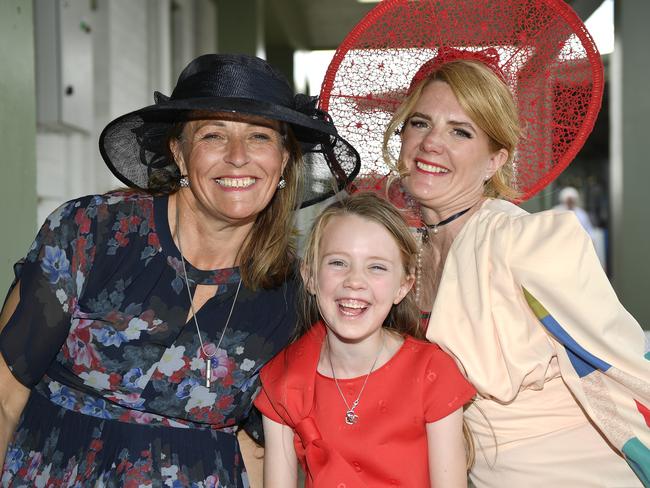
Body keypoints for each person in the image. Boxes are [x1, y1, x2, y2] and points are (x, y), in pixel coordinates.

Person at [319, 0, 649, 486]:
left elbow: (622, 359)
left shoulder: (526, 241)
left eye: (461, 131)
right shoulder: (402, 254)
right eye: (420, 123)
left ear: (495, 160)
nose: (433, 144)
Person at [0, 53, 359, 486]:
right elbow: (4, 397)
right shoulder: (90, 232)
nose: (239, 157)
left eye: (260, 137)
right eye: (213, 135)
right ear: (180, 152)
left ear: (284, 161)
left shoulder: (293, 294)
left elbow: (259, 449)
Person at [254, 192, 476, 487]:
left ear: (403, 286)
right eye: (338, 263)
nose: (355, 281)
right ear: (309, 276)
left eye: (377, 267)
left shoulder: (432, 372)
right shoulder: (282, 381)